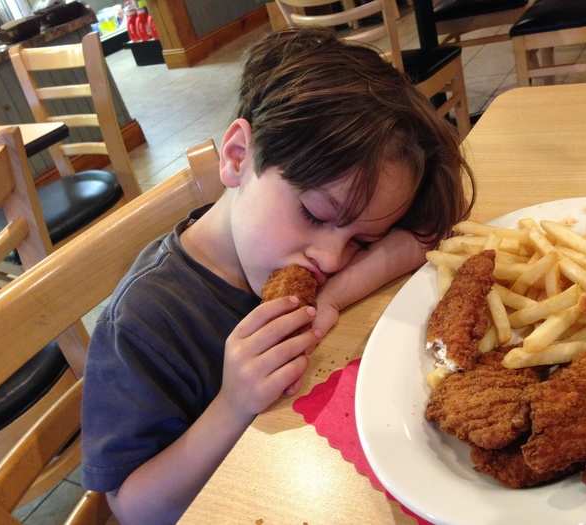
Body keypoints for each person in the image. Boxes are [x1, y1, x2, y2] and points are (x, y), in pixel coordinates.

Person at [81, 28, 473, 524]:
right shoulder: (143, 322)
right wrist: (232, 404)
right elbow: (134, 508)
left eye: (361, 241)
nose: (332, 258)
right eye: (314, 214)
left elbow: (427, 235)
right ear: (237, 157)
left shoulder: (303, 249)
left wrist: (332, 297)